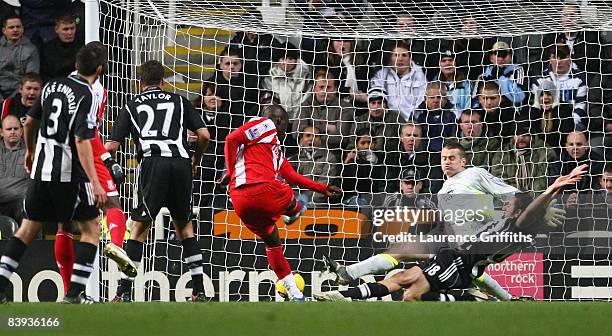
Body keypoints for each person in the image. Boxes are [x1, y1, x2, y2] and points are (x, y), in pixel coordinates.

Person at [316, 165, 585, 302]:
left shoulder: (512, 226)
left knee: (409, 291)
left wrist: (552, 190)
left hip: (454, 259)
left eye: (512, 204)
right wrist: (508, 298)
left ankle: (468, 299)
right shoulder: (503, 227)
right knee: (403, 277)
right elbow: (480, 273)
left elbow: (526, 209)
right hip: (455, 257)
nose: (508, 203)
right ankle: (344, 290)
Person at [325, 142, 522, 301]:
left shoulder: (474, 174)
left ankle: (498, 297)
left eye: (452, 158)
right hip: (451, 240)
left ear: (463, 162)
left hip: (474, 241)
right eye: (444, 158)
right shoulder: (444, 189)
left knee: (471, 271)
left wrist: (511, 211)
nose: (446, 162)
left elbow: (514, 194)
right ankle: (348, 273)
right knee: (400, 249)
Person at [0, 43, 109, 304]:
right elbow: (83, 140)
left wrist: (30, 152)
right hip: (67, 174)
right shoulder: (88, 95)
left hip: (40, 171)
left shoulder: (50, 86)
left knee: (26, 229)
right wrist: (95, 182)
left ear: (75, 64)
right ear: (100, 69)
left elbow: (29, 121)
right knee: (91, 228)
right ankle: (74, 294)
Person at [105, 60, 212, 302]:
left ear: (140, 83)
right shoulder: (180, 101)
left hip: (153, 165)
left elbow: (111, 146)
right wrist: (195, 159)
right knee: (185, 228)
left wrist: (108, 167)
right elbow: (205, 135)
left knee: (139, 230)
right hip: (182, 164)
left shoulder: (131, 106)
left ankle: (123, 293)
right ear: (163, 82)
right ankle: (200, 291)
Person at [219, 104, 341, 301]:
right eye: (287, 123)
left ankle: (294, 293)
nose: (287, 129)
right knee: (285, 191)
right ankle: (295, 209)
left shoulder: (271, 148)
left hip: (240, 201)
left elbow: (292, 175)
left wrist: (321, 188)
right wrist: (230, 171)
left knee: (272, 240)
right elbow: (231, 138)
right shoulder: (266, 125)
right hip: (262, 189)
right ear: (279, 121)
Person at [54, 53, 135, 296]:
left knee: (65, 223)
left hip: (57, 155)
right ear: (100, 68)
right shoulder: (95, 91)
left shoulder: (60, 85)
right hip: (85, 150)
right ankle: (117, 246)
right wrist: (108, 160)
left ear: (76, 64)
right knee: (112, 204)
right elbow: (89, 131)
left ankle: (71, 292)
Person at [490, 123, 560, 193]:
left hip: (537, 199)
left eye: (526, 134)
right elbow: (499, 179)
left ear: (532, 136)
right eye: (517, 134)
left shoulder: (545, 152)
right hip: (508, 198)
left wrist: (527, 200)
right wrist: (513, 197)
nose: (521, 138)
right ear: (512, 136)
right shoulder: (502, 153)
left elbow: (542, 182)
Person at [293, 70, 354, 149]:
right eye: (321, 87)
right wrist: (326, 127)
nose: (325, 91)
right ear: (314, 89)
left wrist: (310, 133)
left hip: (333, 153)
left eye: (328, 87)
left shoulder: (345, 107)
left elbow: (342, 138)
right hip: (307, 153)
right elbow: (296, 133)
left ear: (335, 89)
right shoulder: (306, 104)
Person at [531, 44, 588, 127]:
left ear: (569, 58)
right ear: (550, 59)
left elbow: (581, 106)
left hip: (573, 125)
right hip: (546, 124)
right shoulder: (539, 80)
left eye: (562, 57)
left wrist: (568, 125)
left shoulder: (581, 78)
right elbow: (536, 108)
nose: (558, 61)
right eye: (554, 57)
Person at [370, 40, 427, 121]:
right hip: (387, 120)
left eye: (404, 55)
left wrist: (412, 119)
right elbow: (376, 97)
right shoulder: (381, 74)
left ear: (410, 59)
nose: (400, 59)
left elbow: (422, 100)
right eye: (396, 55)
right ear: (390, 59)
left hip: (411, 121)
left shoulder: (419, 75)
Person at [288, 124, 339, 204]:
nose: (312, 139)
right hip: (297, 205)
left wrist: (311, 203)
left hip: (319, 205)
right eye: (308, 135)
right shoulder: (293, 161)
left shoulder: (329, 158)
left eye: (316, 136)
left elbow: (325, 182)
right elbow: (292, 186)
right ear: (301, 141)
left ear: (320, 141)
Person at [262, 42, 312, 120]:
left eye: (291, 59)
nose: (287, 62)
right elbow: (269, 100)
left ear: (296, 60)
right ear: (278, 60)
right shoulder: (270, 77)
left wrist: (300, 116)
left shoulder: (306, 75)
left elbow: (307, 97)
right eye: (283, 59)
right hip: (278, 120)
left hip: (301, 118)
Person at [345, 88, 405, 153]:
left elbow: (405, 142)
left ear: (386, 105)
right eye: (373, 103)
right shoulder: (359, 121)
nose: (376, 106)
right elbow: (351, 145)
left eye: (379, 103)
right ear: (368, 105)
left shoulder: (397, 119)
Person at [526, 78, 575, 151]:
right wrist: (535, 110)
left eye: (549, 94)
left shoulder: (565, 111)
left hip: (559, 151)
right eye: (542, 95)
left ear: (555, 96)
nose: (545, 97)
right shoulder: (535, 112)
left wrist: (555, 109)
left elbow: (562, 138)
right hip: (538, 151)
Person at [473, 41, 527, 106]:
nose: (501, 58)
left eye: (504, 54)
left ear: (511, 57)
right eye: (497, 54)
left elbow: (519, 97)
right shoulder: (483, 77)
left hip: (512, 112)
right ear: (491, 58)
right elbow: (475, 101)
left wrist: (501, 78)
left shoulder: (518, 71)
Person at [0, 15, 39, 99]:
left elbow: (31, 78)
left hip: (20, 94)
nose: (15, 30)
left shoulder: (31, 49)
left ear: (23, 29)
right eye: (11, 27)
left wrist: (12, 98)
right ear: (4, 30)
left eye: (18, 27)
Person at [414, 82, 457, 153]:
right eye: (432, 97)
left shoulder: (455, 113)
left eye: (439, 97)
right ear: (425, 98)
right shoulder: (417, 114)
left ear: (446, 99)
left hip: (448, 153)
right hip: (423, 154)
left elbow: (455, 138)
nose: (436, 100)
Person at [40, 13, 84, 81]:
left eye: (72, 28)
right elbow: (44, 74)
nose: (70, 32)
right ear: (56, 29)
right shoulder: (48, 48)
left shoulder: (83, 46)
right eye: (65, 29)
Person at [0, 115, 27, 223]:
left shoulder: (32, 152)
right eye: (9, 129)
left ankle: (33, 240)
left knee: (30, 206)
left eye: (16, 129)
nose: (12, 132)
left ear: (21, 131)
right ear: (1, 132)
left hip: (21, 204)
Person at [432, 47, 473, 118]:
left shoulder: (466, 84)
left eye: (450, 60)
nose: (448, 63)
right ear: (439, 64)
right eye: (444, 61)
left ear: (455, 63)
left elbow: (468, 108)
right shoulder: (433, 84)